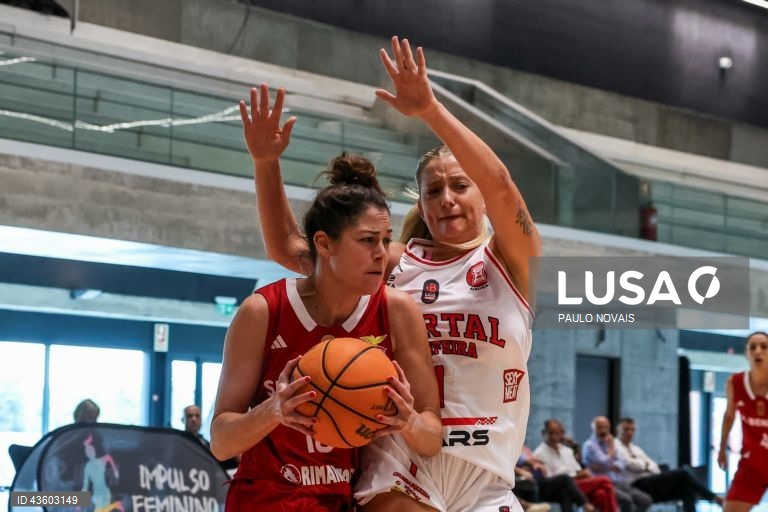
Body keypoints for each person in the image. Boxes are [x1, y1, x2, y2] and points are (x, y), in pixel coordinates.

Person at [252, 36, 541, 511]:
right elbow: (288, 248)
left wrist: (429, 109)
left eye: (460, 186)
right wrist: (266, 164)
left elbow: (505, 188)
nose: (446, 198)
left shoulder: (512, 264)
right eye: (433, 190)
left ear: (481, 196)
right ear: (422, 205)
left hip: (487, 473)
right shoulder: (393, 260)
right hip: (402, 454)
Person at [211, 89, 442, 512]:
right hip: (262, 500)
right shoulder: (264, 310)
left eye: (387, 241)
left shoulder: (394, 309)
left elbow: (431, 434)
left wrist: (408, 421)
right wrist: (273, 412)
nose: (383, 253)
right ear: (325, 244)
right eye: (368, 241)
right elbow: (221, 442)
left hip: (338, 501)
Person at [615, 417, 722, 512]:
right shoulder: (615, 447)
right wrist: (645, 465)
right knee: (683, 473)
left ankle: (711, 499)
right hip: (634, 485)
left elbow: (654, 466)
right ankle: (713, 498)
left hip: (650, 483)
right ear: (618, 430)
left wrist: (644, 465)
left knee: (686, 489)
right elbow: (631, 465)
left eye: (632, 429)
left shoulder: (635, 448)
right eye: (626, 429)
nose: (629, 432)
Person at [718, 331, 768, 512]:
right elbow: (729, 415)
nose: (758, 351)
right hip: (752, 464)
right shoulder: (735, 382)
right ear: (747, 353)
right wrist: (722, 447)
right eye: (753, 347)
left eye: (764, 346)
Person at [534, 419, 617, 512]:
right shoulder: (539, 453)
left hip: (575, 484)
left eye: (557, 433)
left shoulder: (566, 450)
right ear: (543, 433)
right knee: (605, 480)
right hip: (557, 487)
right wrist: (577, 475)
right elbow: (552, 479)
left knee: (600, 493)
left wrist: (583, 473)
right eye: (550, 433)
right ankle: (586, 505)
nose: (554, 437)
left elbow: (576, 470)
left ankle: (587, 506)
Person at [583, 416, 652, 512]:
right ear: (593, 428)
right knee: (626, 500)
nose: (603, 430)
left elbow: (622, 462)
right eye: (599, 427)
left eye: (605, 427)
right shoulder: (589, 445)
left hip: (616, 481)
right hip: (601, 485)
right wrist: (611, 450)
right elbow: (605, 462)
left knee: (645, 500)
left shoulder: (611, 442)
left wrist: (608, 465)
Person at [81, 434, 123, 512]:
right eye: (88, 452)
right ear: (87, 454)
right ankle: (116, 505)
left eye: (92, 451)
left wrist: (115, 470)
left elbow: (109, 457)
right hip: (96, 496)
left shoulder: (100, 461)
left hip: (104, 493)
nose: (91, 453)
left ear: (94, 451)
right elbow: (85, 485)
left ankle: (116, 505)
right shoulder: (88, 467)